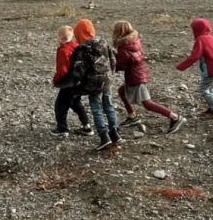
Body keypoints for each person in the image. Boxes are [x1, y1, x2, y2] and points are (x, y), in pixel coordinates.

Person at [113, 21, 185, 134]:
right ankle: (132, 116)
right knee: (122, 91)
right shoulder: (134, 41)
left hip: (135, 77)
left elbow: (121, 66)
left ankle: (175, 117)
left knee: (147, 104)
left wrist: (113, 59)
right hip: (141, 73)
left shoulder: (123, 48)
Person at [70, 19, 121, 152]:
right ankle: (114, 132)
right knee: (108, 105)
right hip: (107, 80)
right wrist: (111, 73)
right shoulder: (103, 42)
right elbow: (113, 59)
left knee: (97, 108)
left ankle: (104, 137)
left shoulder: (82, 48)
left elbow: (79, 69)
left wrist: (76, 85)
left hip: (93, 83)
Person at [176, 17, 213, 117]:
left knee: (204, 90)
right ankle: (211, 108)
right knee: (211, 89)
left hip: (211, 70)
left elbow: (195, 56)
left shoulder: (200, 40)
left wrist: (181, 66)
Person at [50, 25, 93, 137]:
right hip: (79, 81)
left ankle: (62, 128)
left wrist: (56, 81)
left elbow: (62, 70)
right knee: (76, 103)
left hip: (68, 83)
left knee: (60, 105)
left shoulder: (63, 51)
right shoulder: (77, 46)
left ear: (60, 37)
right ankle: (86, 126)